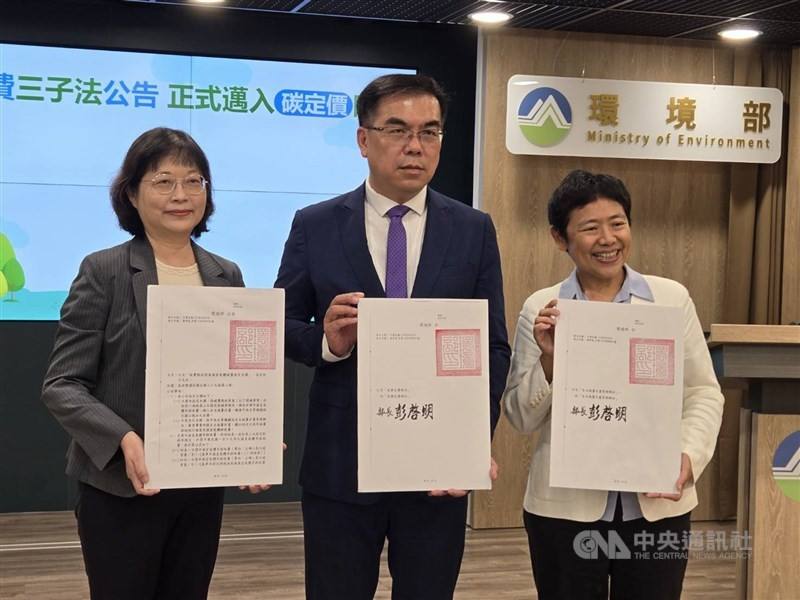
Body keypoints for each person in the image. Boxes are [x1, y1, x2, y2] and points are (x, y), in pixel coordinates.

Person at [275, 73, 511, 599]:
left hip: (436, 463)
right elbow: (282, 326)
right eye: (398, 129)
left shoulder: (473, 228)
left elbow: (494, 346)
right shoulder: (315, 224)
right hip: (342, 464)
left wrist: (473, 440)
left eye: (430, 132)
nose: (415, 146)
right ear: (363, 140)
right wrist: (327, 343)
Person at [41, 127, 270, 600]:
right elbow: (62, 384)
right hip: (119, 486)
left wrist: (255, 436)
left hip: (200, 485)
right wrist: (123, 437)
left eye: (194, 181)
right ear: (132, 192)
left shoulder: (226, 275)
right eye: (163, 182)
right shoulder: (103, 270)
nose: (180, 195)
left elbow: (238, 378)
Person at [502, 169, 724, 600]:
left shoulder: (669, 299)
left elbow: (702, 391)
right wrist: (550, 360)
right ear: (559, 238)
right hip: (565, 509)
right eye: (590, 228)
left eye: (617, 223)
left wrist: (687, 458)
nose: (608, 238)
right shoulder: (543, 307)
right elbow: (521, 416)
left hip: (657, 504)